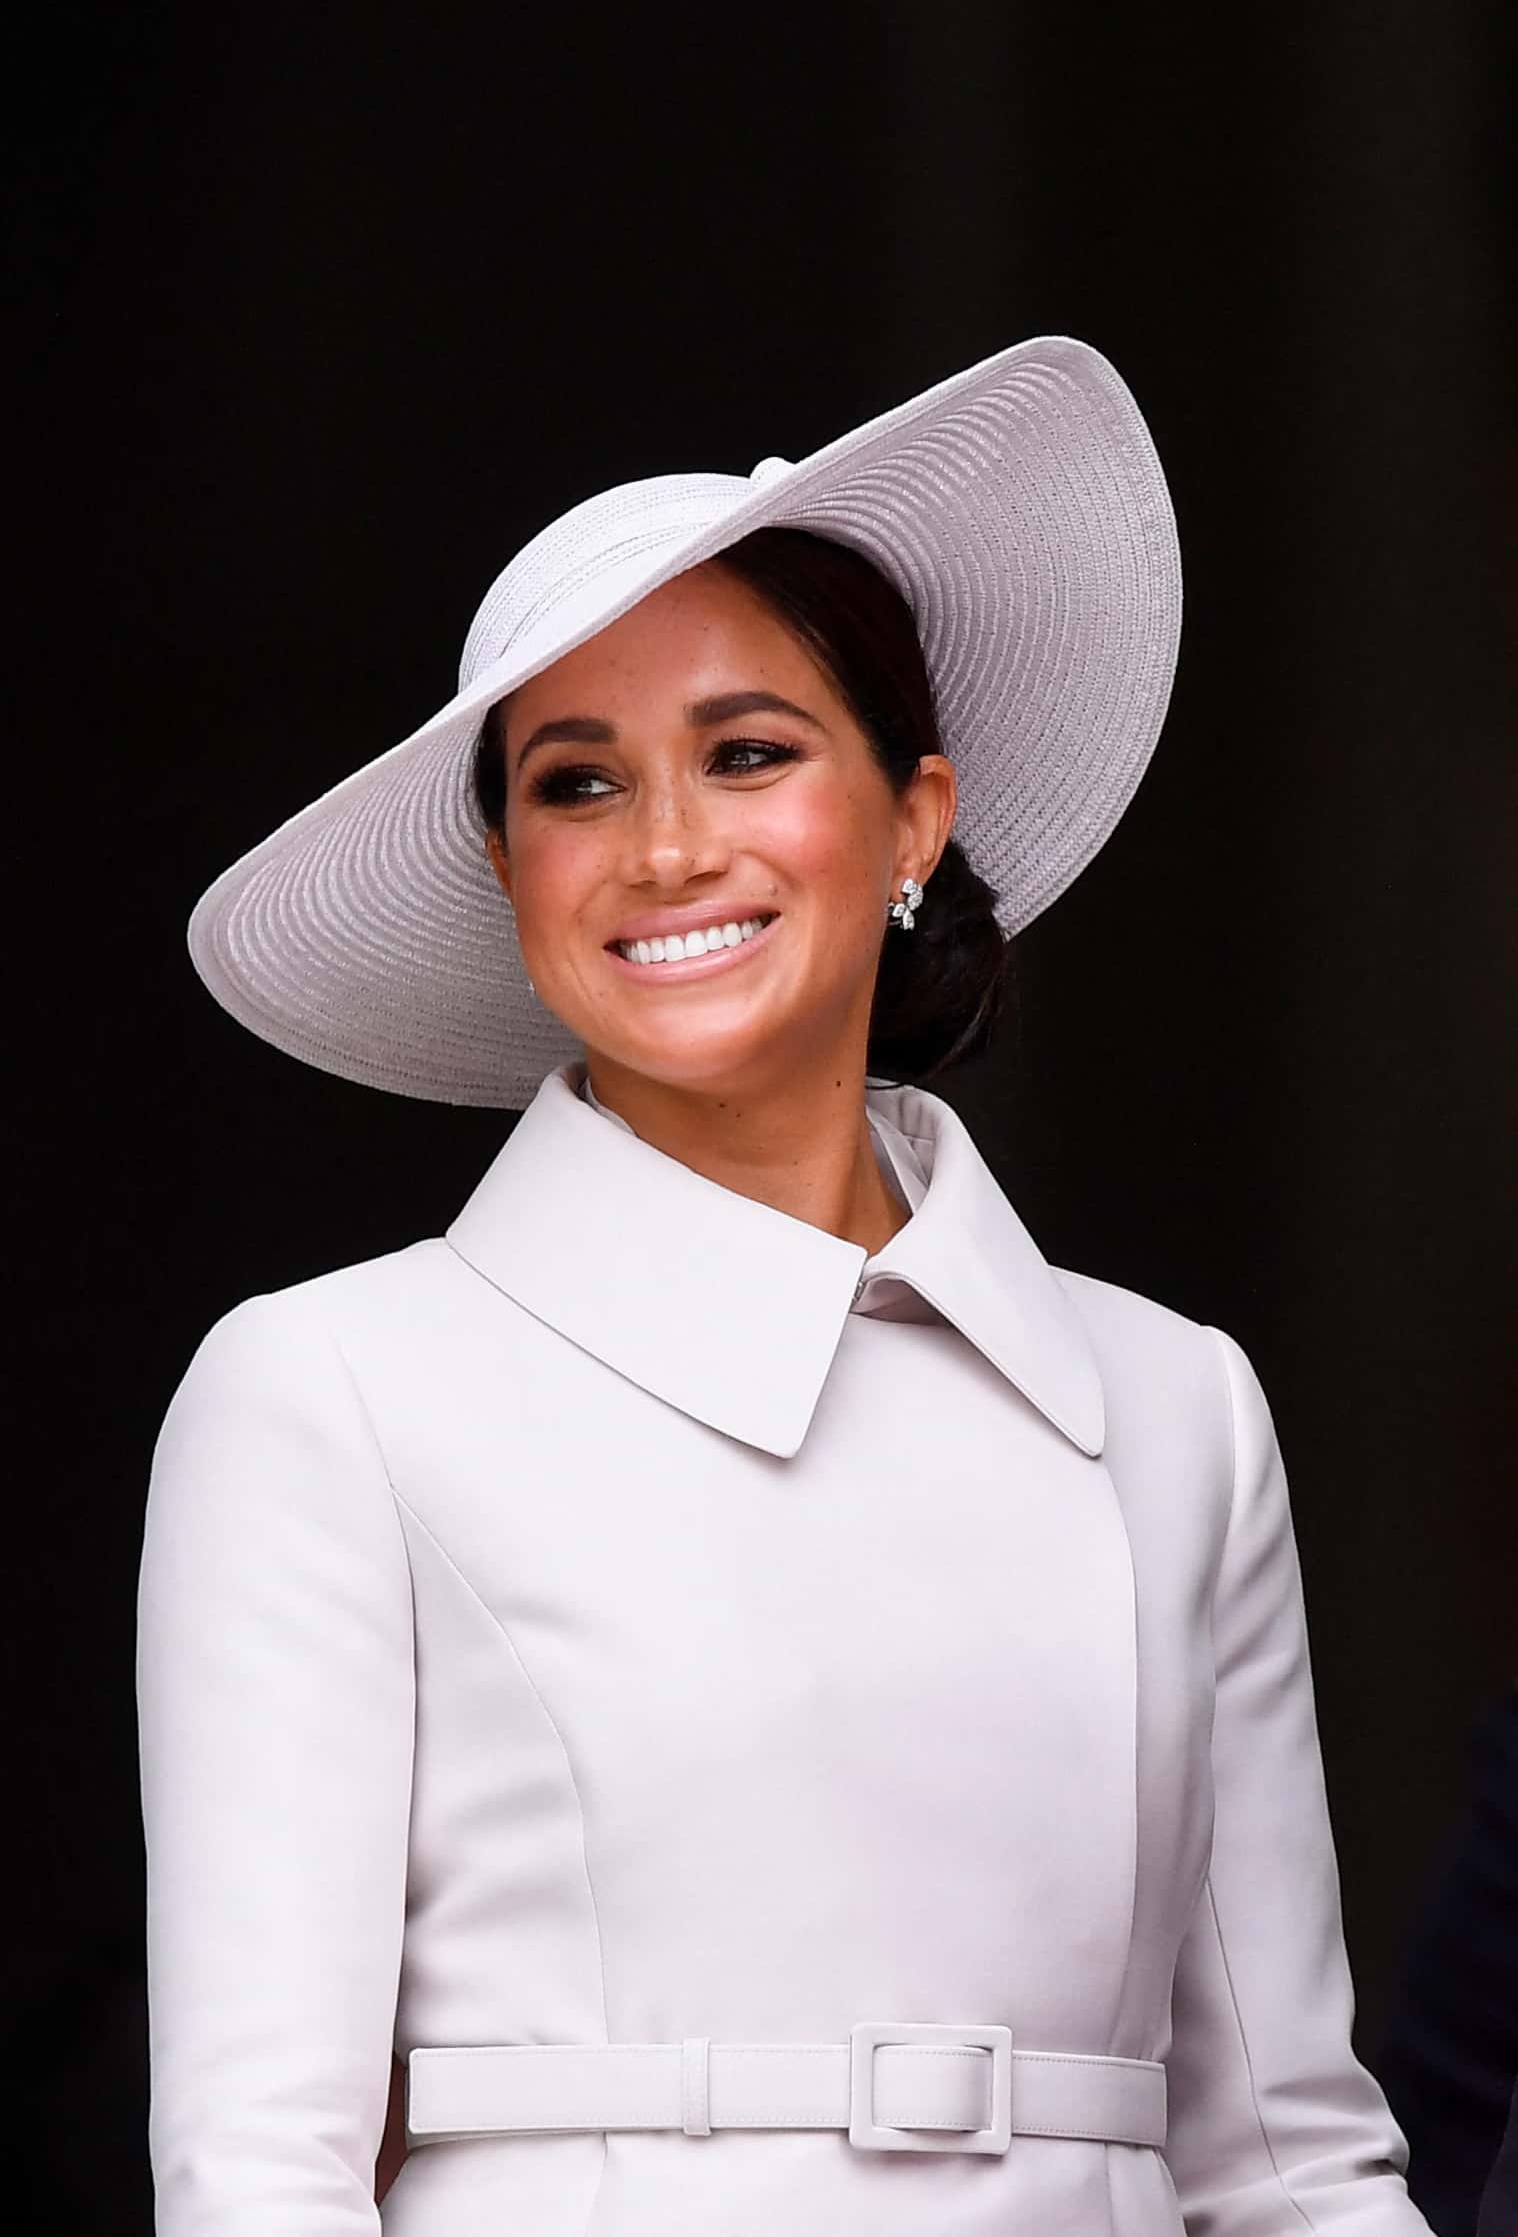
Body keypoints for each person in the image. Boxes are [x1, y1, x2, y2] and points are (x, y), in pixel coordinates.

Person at [135, 335, 1435, 2236]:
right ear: (511, 869)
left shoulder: (1174, 1409)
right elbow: (261, 2170)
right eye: (579, 784)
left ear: (915, 819)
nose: (669, 850)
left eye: (748, 753)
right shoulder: (330, 1391)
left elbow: (1293, 2163)